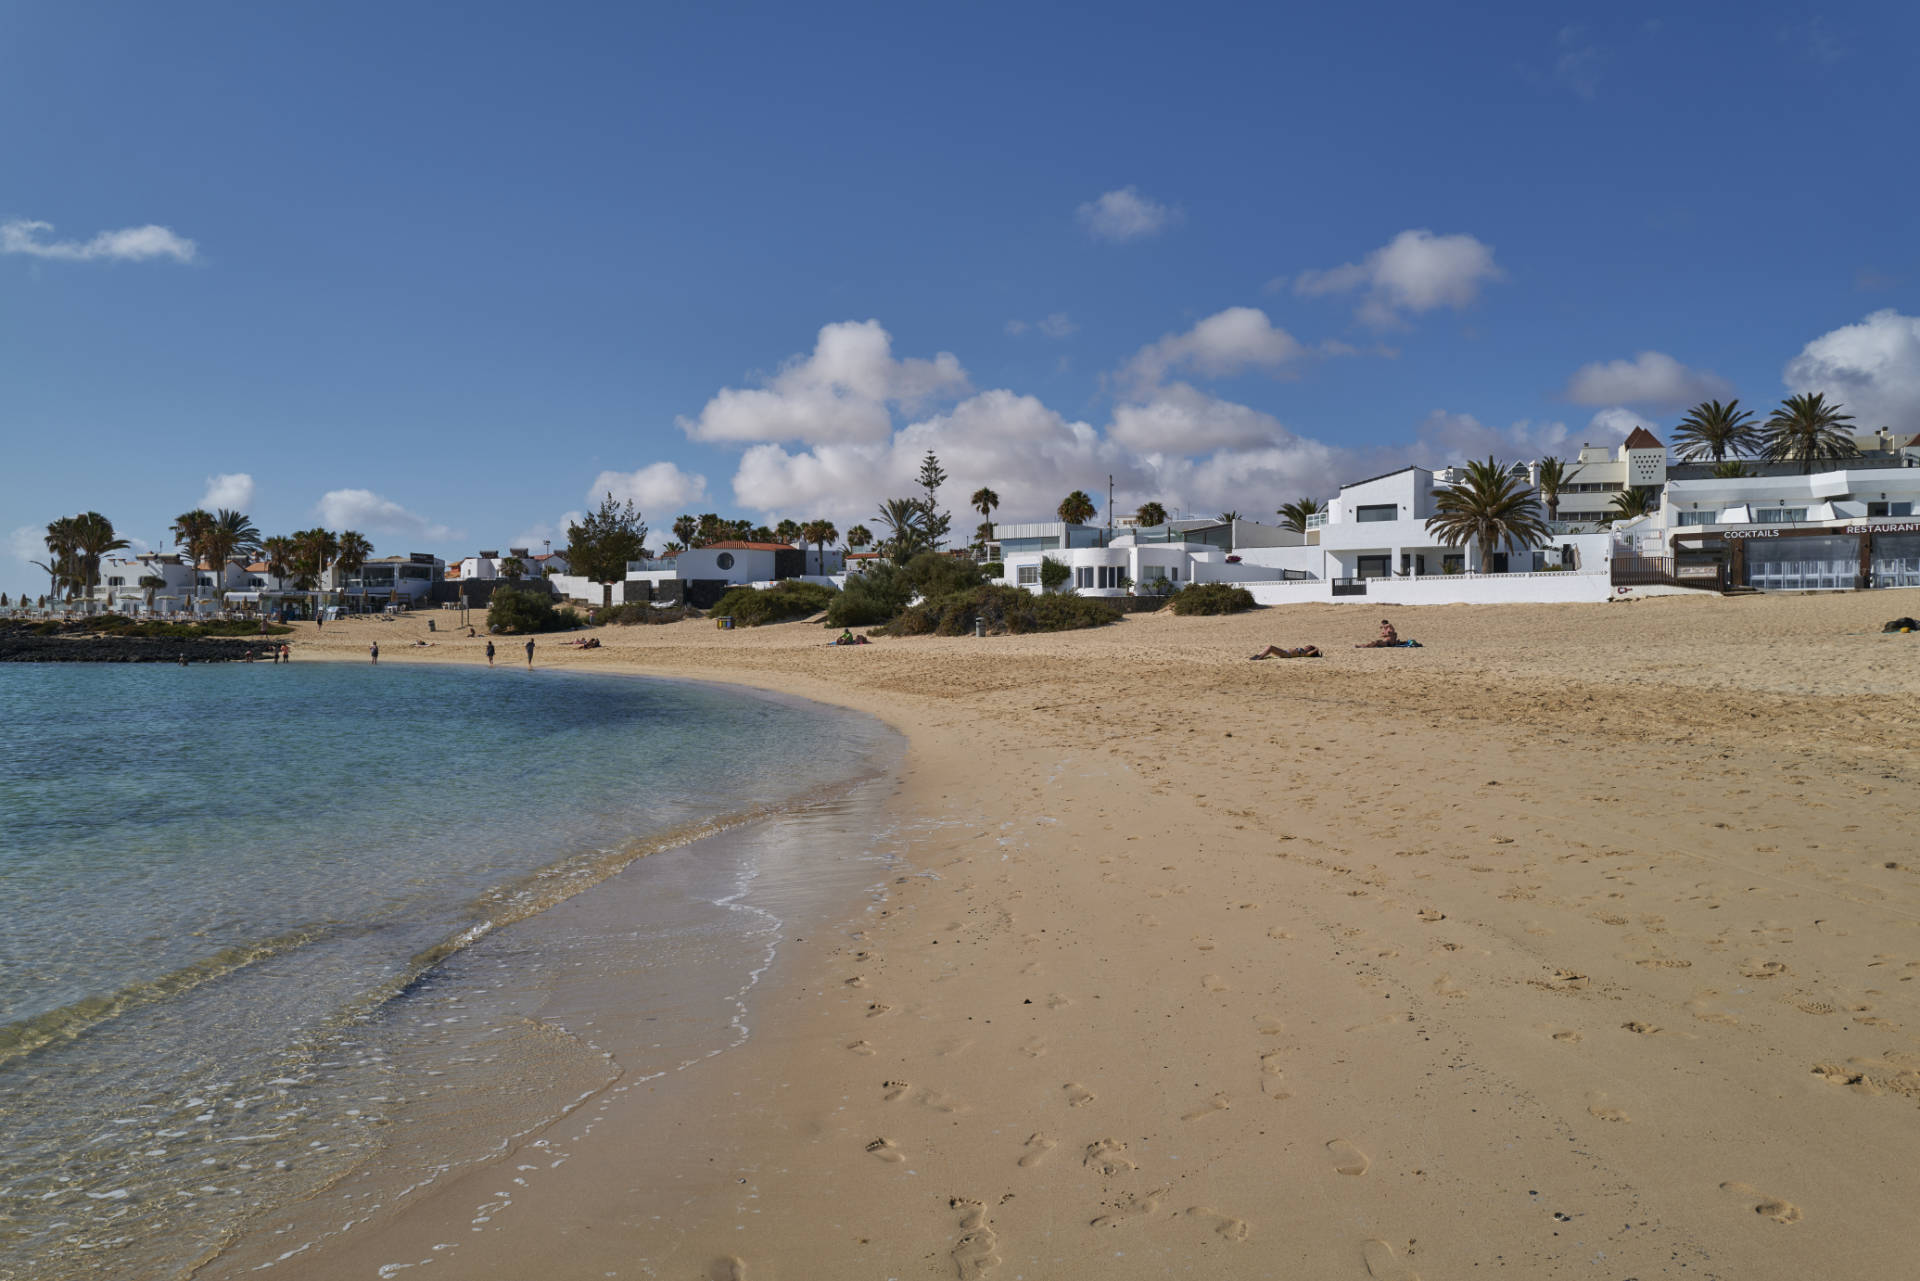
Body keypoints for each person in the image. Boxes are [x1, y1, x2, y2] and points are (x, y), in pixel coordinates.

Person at [1249, 644, 1322, 660]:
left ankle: (1259, 657)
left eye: (1308, 646)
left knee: (1270, 647)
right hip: (1285, 652)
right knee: (1269, 648)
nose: (1306, 646)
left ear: (1310, 649)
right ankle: (1259, 655)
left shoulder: (1307, 654)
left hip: (1287, 654)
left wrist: (1315, 647)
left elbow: (1317, 649)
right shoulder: (1304, 651)